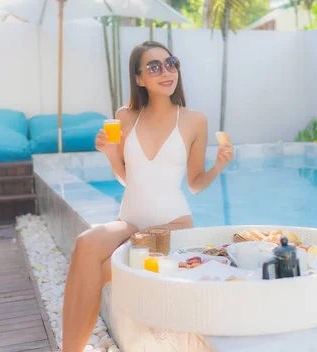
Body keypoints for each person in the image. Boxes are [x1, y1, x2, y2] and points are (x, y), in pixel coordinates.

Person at [61, 41, 234, 351]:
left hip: (174, 224)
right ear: (139, 78)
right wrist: (110, 153)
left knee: (104, 269)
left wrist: (219, 166)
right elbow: (127, 178)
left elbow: (194, 184)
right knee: (85, 244)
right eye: (154, 66)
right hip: (129, 221)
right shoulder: (124, 117)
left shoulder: (194, 120)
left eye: (171, 63)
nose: (166, 71)